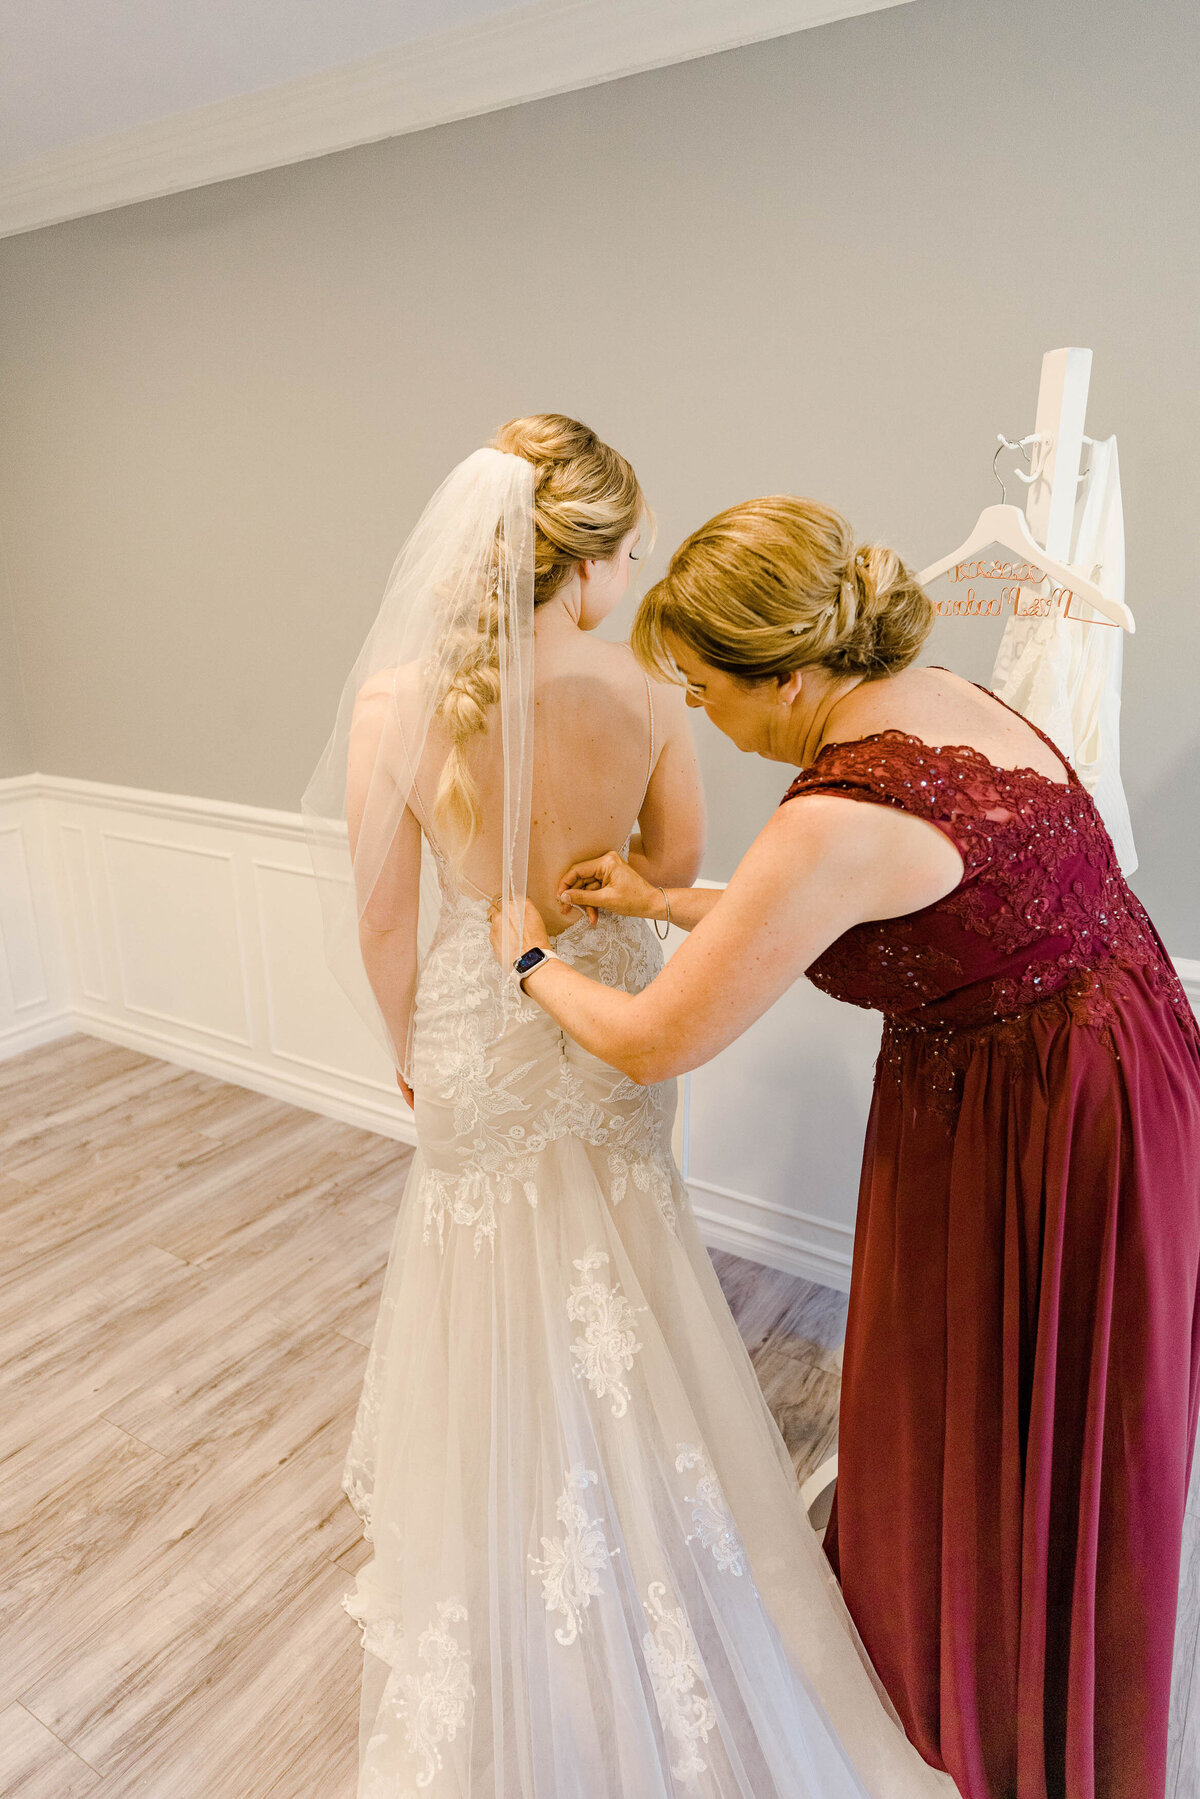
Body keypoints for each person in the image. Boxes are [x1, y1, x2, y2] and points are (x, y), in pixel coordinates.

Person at [493, 494, 1200, 1799]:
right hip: (1104, 1057)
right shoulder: (943, 699)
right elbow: (863, 905)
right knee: (1010, 1384)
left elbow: (654, 1039)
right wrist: (660, 895)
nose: (701, 717)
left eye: (709, 692)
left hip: (1041, 1107)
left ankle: (1007, 1688)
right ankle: (969, 1616)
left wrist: (529, 961)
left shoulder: (839, 811)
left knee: (1019, 1393)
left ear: (798, 670)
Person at [303, 425, 959, 1799]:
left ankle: (501, 1506)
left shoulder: (393, 703)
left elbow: (382, 920)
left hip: (481, 1009)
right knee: (621, 1238)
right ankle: (643, 1489)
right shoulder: (650, 693)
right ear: (588, 564)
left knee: (488, 1253)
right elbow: (671, 866)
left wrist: (410, 1044)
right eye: (628, 551)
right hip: (604, 1008)